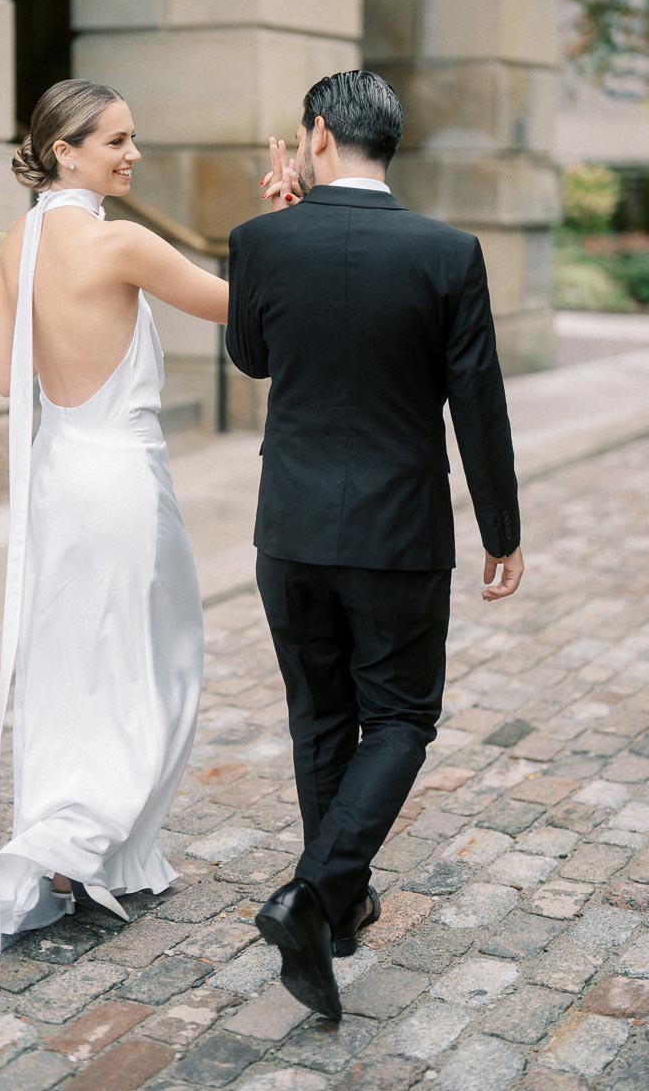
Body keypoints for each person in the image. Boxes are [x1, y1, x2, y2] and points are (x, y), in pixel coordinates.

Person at [227, 70, 524, 1019]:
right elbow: (477, 399)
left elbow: (253, 357)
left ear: (316, 136)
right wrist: (502, 528)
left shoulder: (261, 240)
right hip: (399, 531)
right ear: (385, 142)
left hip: (293, 530)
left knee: (322, 719)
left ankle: (337, 911)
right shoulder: (447, 253)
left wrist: (281, 229)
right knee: (399, 720)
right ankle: (315, 900)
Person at [0, 79, 230, 957]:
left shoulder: (17, 241)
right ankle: (75, 840)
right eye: (115, 141)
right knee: (156, 662)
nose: (132, 155)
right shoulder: (120, 242)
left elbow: (11, 383)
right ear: (64, 151)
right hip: (120, 477)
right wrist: (294, 220)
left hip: (58, 472)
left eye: (132, 138)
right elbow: (232, 303)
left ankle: (92, 847)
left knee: (73, 660)